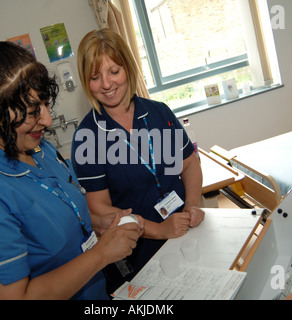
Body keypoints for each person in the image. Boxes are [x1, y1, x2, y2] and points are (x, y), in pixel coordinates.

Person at [0, 35, 143, 300]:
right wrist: (101, 254)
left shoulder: (35, 146)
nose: (46, 120)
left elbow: (47, 215)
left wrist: (98, 223)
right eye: (33, 111)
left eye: (45, 104)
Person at [71, 28, 205, 293]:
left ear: (128, 68)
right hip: (137, 250)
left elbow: (189, 164)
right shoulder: (88, 137)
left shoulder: (158, 113)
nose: (107, 84)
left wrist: (192, 206)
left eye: (114, 71)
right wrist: (160, 229)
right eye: (95, 77)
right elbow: (100, 211)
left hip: (185, 229)